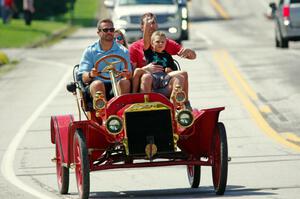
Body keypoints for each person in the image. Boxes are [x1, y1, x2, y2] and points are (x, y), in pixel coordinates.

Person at [129, 12, 196, 108]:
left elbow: (190, 56)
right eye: (148, 24)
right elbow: (133, 72)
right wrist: (145, 69)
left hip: (165, 79)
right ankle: (142, 104)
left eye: (153, 23)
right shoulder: (141, 47)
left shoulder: (166, 45)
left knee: (181, 76)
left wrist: (189, 52)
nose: (160, 44)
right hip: (148, 79)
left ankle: (182, 104)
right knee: (145, 77)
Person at [78, 18, 132, 102]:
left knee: (125, 83)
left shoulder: (123, 51)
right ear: (99, 33)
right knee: (97, 84)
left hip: (117, 83)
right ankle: (102, 110)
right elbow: (83, 77)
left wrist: (127, 74)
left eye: (111, 29)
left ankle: (121, 108)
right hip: (97, 85)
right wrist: (91, 74)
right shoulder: (90, 51)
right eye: (105, 30)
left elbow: (128, 74)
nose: (109, 32)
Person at [132, 30, 182, 97]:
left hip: (164, 78)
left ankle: (178, 100)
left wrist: (169, 70)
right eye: (157, 42)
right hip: (152, 76)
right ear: (152, 44)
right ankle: (134, 94)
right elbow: (146, 40)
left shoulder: (168, 56)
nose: (160, 44)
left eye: (162, 42)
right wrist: (147, 26)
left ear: (165, 44)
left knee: (182, 75)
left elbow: (173, 70)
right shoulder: (149, 52)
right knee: (143, 74)